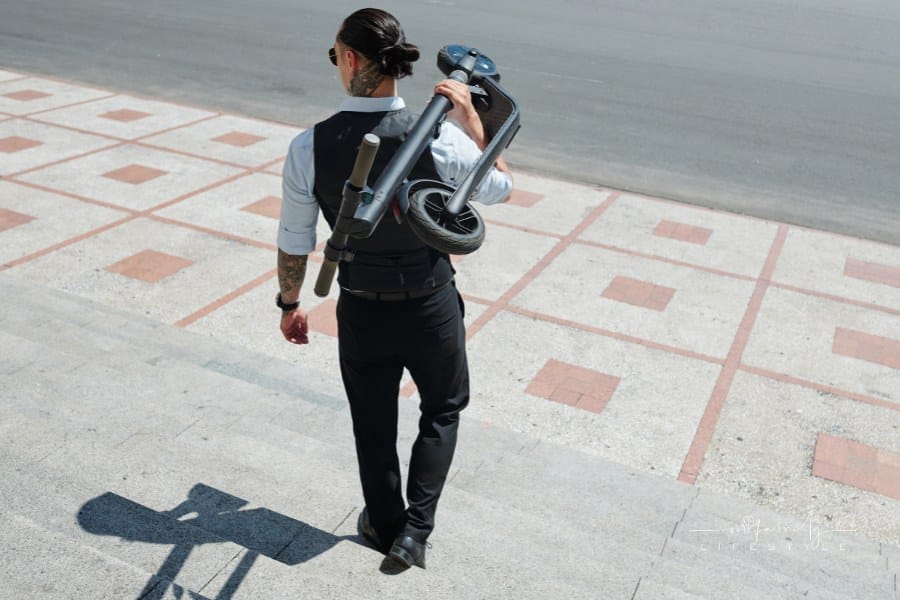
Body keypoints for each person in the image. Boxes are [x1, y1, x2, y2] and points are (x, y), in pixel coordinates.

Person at [276, 7, 512, 569]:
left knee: (372, 421)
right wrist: (472, 122)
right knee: (443, 410)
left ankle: (386, 525)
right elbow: (501, 186)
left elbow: (294, 241)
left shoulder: (309, 146)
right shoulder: (441, 135)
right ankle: (415, 532)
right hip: (431, 302)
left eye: (335, 55)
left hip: (362, 307)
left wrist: (290, 304)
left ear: (349, 59)